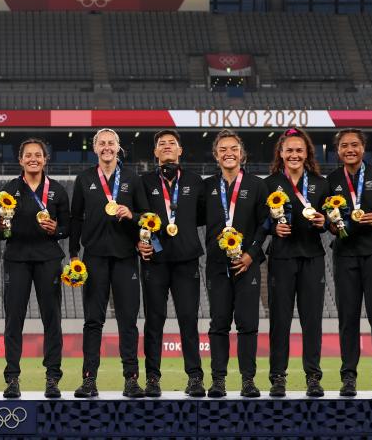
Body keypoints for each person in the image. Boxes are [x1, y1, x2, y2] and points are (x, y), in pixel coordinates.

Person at [327, 128, 372, 397]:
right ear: (338, 151)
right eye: (344, 145)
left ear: (363, 147)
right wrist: (332, 227)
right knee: (348, 319)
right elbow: (327, 220)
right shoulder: (332, 179)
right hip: (345, 255)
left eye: (355, 144)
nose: (350, 149)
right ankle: (349, 378)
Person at [69, 128, 143, 398]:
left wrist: (131, 214)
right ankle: (89, 380)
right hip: (95, 257)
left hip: (125, 256)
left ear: (118, 147)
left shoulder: (133, 179)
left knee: (128, 321)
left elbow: (145, 216)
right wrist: (74, 253)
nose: (107, 147)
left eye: (111, 143)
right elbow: (76, 217)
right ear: (95, 148)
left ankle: (131, 379)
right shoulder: (85, 178)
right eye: (102, 143)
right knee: (93, 321)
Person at [134, 130, 206, 398]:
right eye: (161, 144)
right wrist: (138, 242)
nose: (166, 147)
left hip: (187, 260)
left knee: (189, 321)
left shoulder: (195, 181)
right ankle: (152, 378)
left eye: (171, 144)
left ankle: (195, 377)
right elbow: (137, 216)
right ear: (155, 153)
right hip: (156, 260)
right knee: (154, 321)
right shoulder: (144, 182)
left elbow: (200, 216)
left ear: (180, 150)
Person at [0, 138, 70, 399]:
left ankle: (52, 378)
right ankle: (12, 379)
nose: (33, 159)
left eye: (38, 155)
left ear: (44, 159)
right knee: (13, 321)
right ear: (20, 160)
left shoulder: (58, 191)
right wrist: (3, 225)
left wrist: (57, 230)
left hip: (48, 259)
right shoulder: (9, 189)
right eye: (28, 155)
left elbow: (68, 227)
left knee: (52, 321)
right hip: (16, 259)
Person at [202, 129, 269, 398]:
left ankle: (248, 381)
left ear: (242, 154)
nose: (228, 153)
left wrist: (252, 253)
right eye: (223, 150)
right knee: (219, 324)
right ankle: (218, 381)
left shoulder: (256, 184)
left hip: (247, 263)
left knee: (247, 324)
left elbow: (266, 223)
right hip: (217, 265)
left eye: (233, 149)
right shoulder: (206, 187)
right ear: (216, 155)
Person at [264, 128, 330, 397]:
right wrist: (272, 228)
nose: (294, 154)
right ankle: (278, 377)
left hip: (312, 258)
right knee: (279, 321)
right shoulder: (268, 184)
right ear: (281, 153)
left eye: (299, 150)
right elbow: (260, 222)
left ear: (307, 154)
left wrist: (324, 222)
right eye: (289, 150)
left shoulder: (320, 183)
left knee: (311, 321)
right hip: (281, 259)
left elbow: (329, 221)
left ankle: (313, 377)